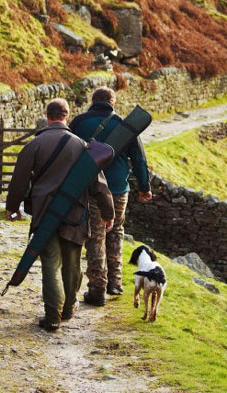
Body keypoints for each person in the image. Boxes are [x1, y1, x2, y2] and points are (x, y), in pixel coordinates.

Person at [6, 98, 115, 331]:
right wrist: (108, 213)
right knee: (72, 264)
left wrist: (12, 206)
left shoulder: (34, 145)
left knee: (50, 264)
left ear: (47, 116)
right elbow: (99, 184)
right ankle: (68, 308)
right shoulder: (82, 145)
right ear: (67, 116)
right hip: (75, 214)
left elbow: (19, 180)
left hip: (45, 214)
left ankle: (52, 315)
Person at [69, 87, 152, 306]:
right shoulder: (125, 126)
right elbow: (139, 160)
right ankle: (115, 283)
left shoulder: (78, 123)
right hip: (118, 189)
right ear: (112, 102)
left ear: (93, 101)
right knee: (116, 231)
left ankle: (97, 288)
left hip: (90, 188)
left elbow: (67, 152)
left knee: (96, 234)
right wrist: (144, 188)